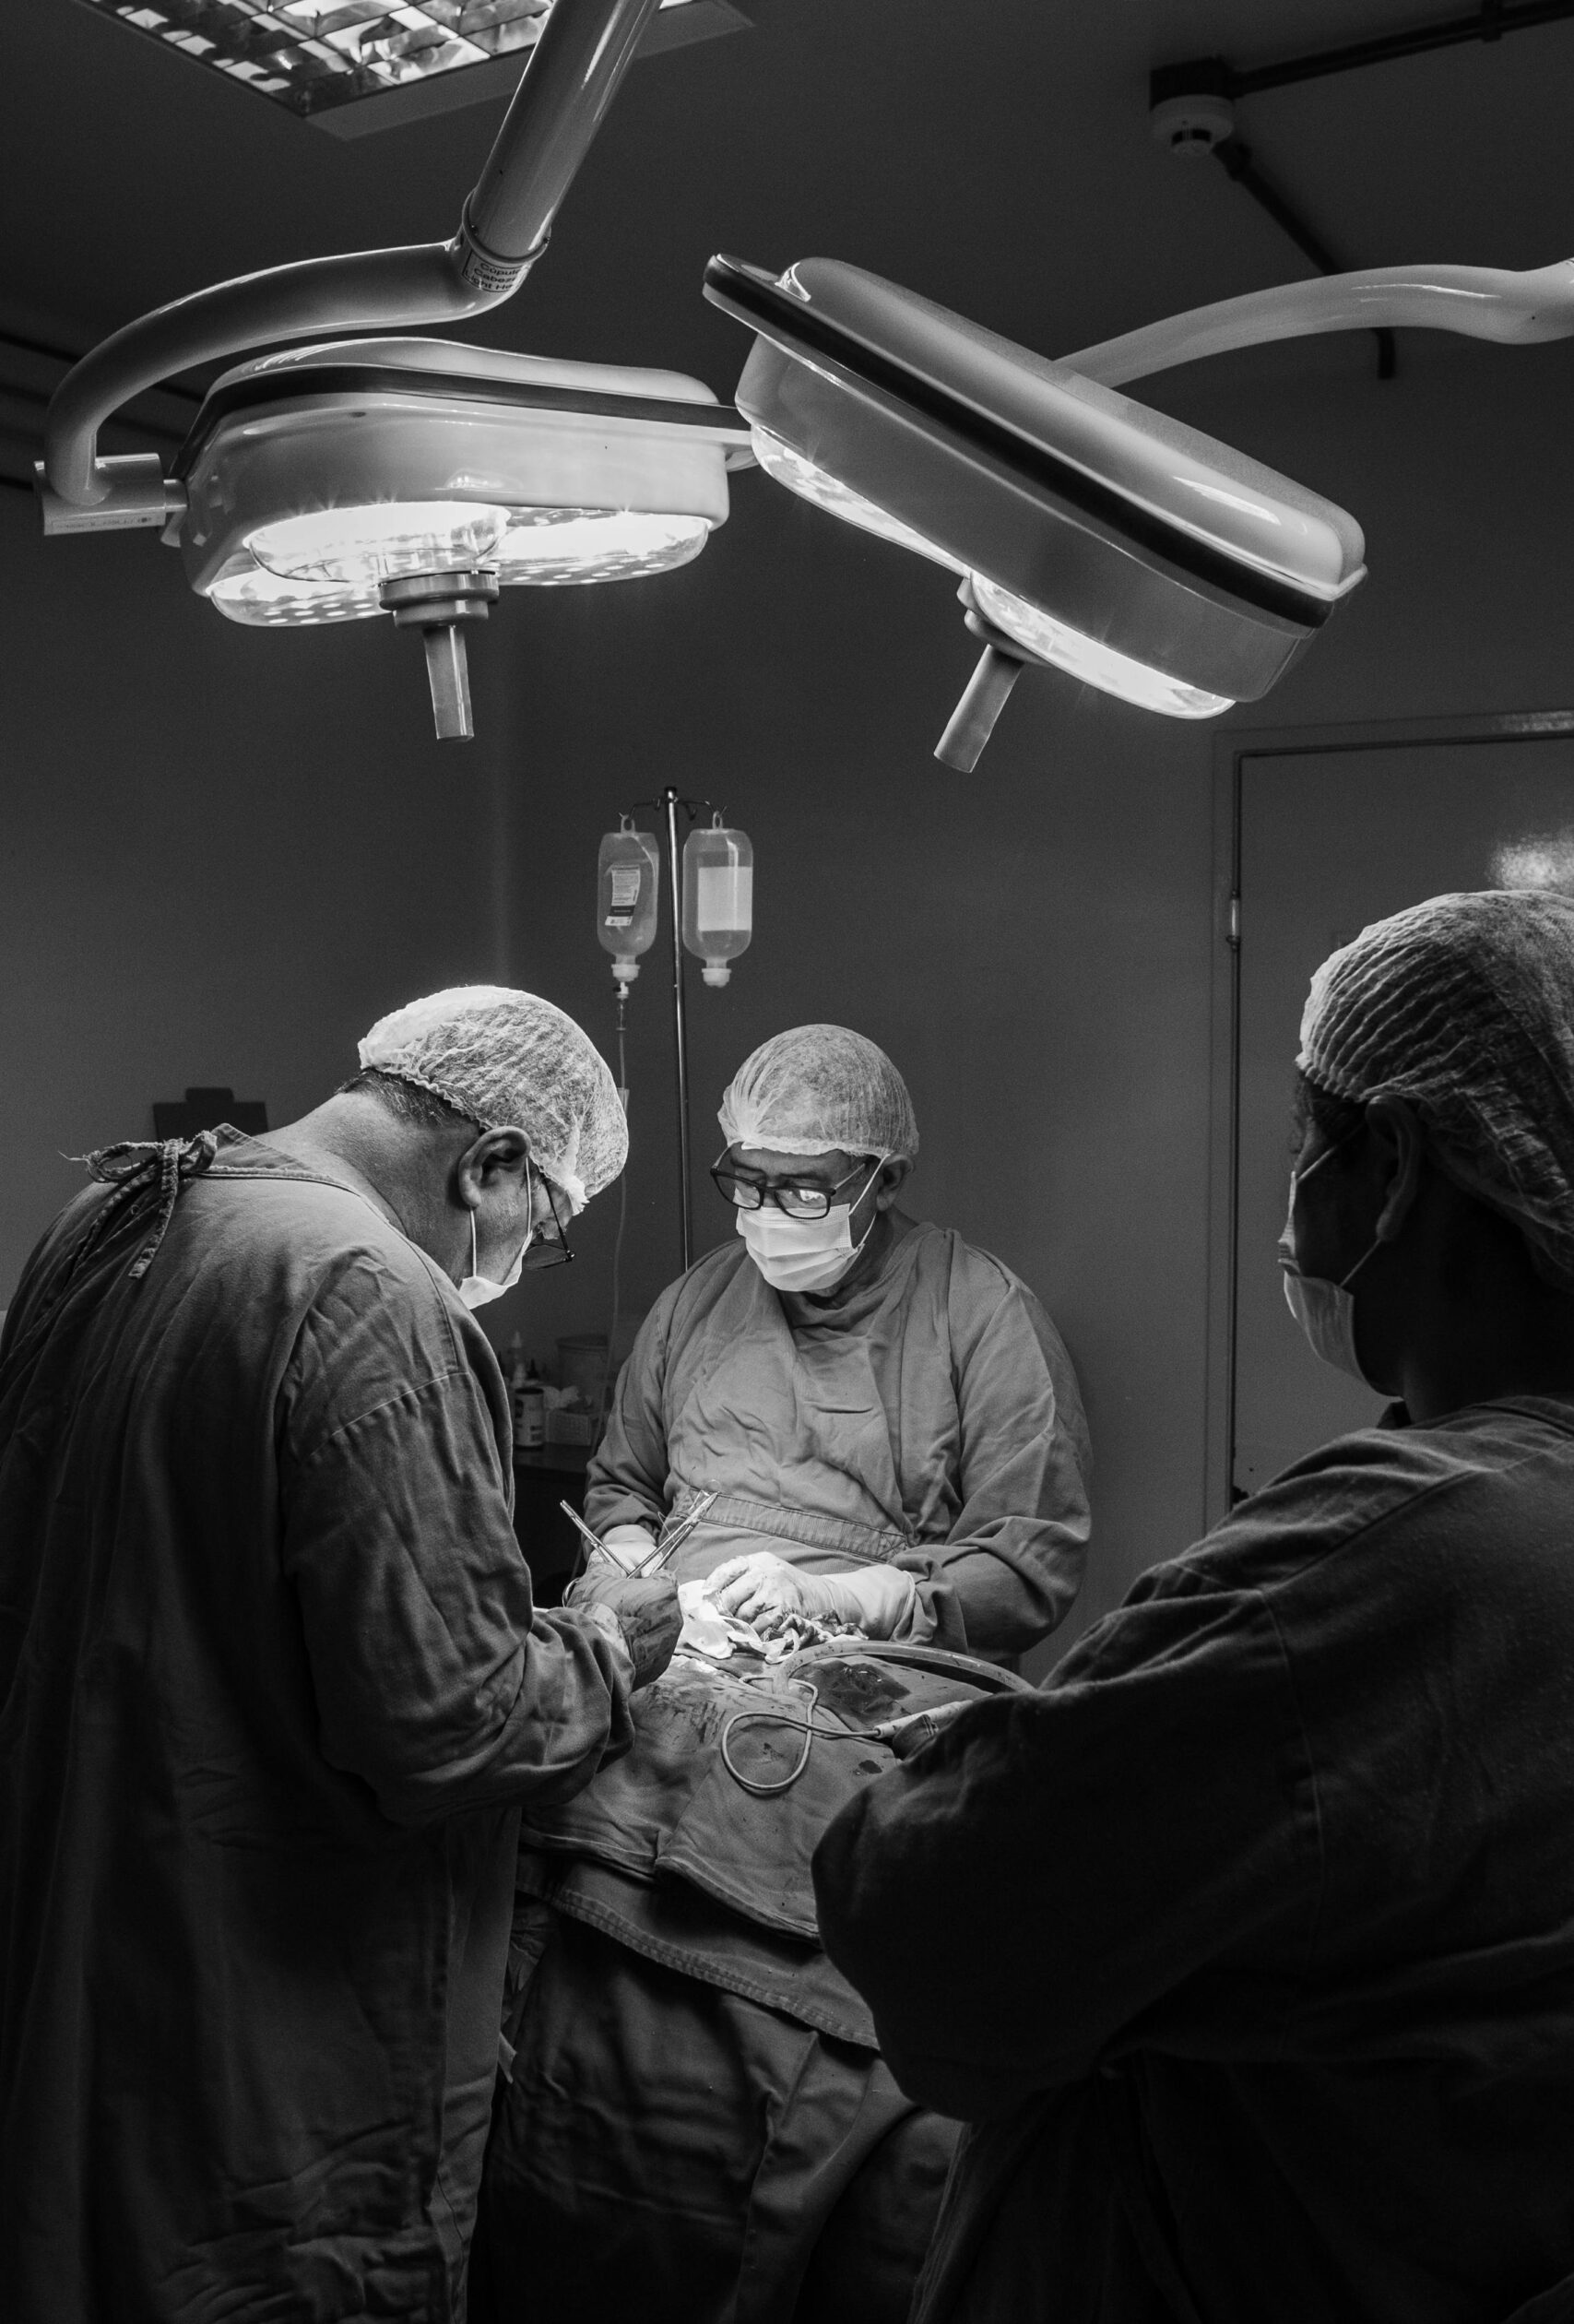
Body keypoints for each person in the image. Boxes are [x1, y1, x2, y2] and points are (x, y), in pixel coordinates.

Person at [815, 891, 1574, 2324]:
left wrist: (956, 1741)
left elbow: (938, 1940)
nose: (1297, 1194)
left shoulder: (1403, 1559)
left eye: (1310, 1145)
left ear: (1400, 1166)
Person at [0, 983, 680, 2324]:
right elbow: (451, 1722)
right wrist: (605, 1647)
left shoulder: (117, 1214)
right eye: (540, 1233)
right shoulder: (371, 1293)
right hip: (256, 2022)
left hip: (75, 1933)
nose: (511, 1270)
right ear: (490, 1161)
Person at [474, 1023, 1090, 2324]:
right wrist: (637, 1567)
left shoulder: (981, 1313)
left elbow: (1029, 1562)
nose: (766, 1214)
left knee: (843, 1863)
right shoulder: (698, 1304)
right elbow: (624, 1487)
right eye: (745, 1182)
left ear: (878, 1177)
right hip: (684, 1651)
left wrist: (849, 1594)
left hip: (892, 1665)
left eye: (801, 1187)